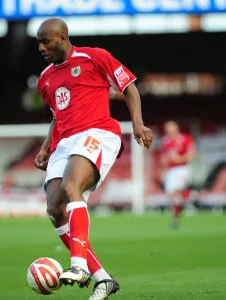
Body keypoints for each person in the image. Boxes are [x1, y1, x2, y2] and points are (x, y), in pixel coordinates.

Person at [34, 18, 153, 300]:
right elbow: (56, 116)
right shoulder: (45, 79)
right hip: (63, 141)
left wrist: (137, 123)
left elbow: (128, 87)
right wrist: (44, 147)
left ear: (62, 37)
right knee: (53, 208)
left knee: (70, 187)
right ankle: (103, 278)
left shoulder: (94, 57)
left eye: (45, 41)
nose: (40, 47)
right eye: (38, 42)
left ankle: (78, 266)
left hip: (97, 132)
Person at [160, 121, 197, 228]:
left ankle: (191, 196)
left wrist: (180, 159)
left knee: (175, 192)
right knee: (172, 196)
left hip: (182, 168)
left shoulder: (185, 139)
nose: (169, 131)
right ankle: (177, 214)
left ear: (176, 128)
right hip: (170, 170)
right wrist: (164, 168)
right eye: (167, 129)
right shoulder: (165, 141)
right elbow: (164, 157)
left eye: (171, 128)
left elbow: (192, 153)